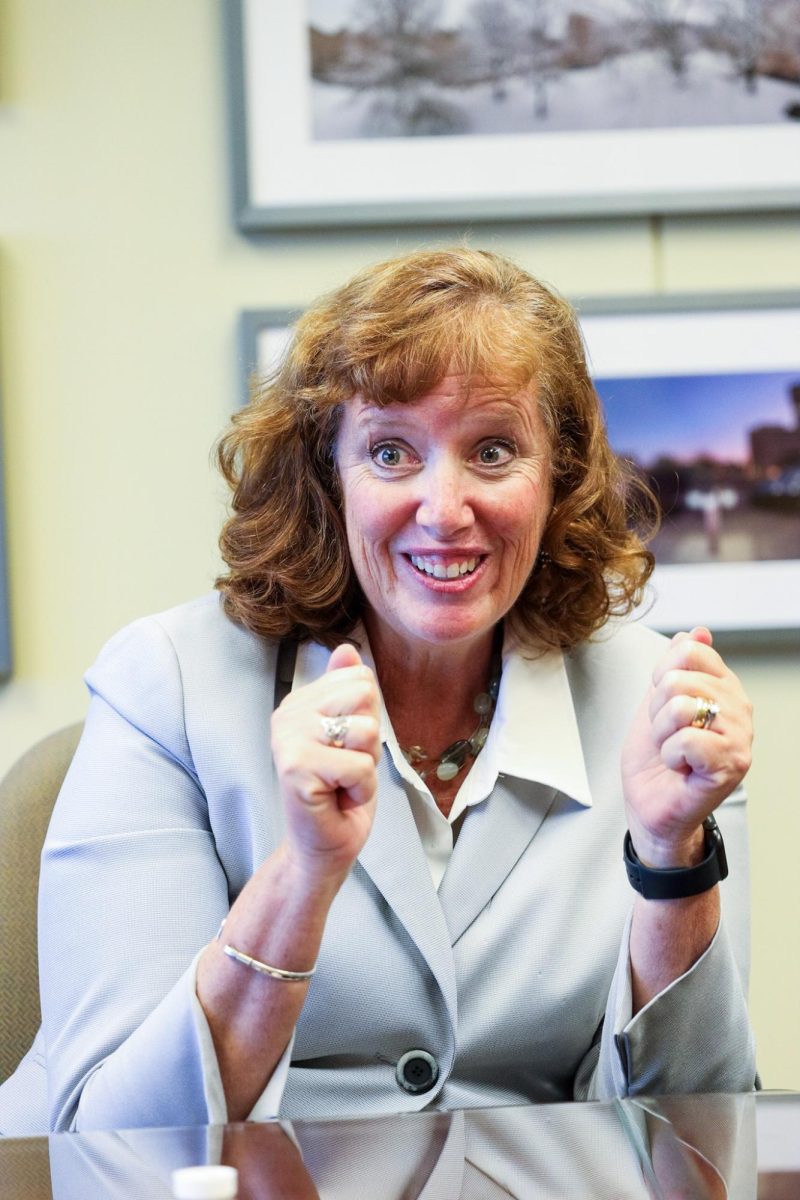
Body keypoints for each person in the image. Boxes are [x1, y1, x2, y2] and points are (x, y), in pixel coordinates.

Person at [0, 247, 756, 1135]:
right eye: (390, 451)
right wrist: (302, 877)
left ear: (560, 478)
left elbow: (703, 1127)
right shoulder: (167, 686)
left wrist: (673, 858)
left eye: (494, 450)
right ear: (329, 482)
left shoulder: (656, 700)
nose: (444, 506)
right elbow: (109, 1132)